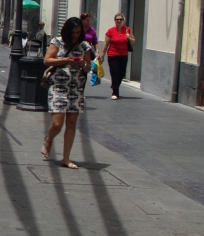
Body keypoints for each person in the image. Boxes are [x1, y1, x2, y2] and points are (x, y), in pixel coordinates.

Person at [42, 17, 93, 169]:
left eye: (78, 32)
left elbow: (88, 68)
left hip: (76, 89)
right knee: (57, 124)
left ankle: (66, 158)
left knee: (71, 124)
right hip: (58, 87)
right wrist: (65, 60)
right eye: (73, 32)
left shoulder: (85, 46)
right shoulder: (57, 42)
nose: (75, 35)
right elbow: (47, 60)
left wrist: (83, 64)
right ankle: (49, 139)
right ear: (67, 31)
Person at [99, 13, 135, 100]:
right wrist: (102, 55)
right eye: (117, 19)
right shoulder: (110, 31)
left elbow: (133, 40)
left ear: (123, 21)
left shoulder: (127, 30)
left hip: (123, 55)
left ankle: (114, 85)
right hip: (113, 55)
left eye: (120, 19)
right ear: (114, 20)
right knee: (115, 73)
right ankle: (115, 92)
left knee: (122, 73)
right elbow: (106, 44)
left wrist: (129, 37)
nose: (118, 21)